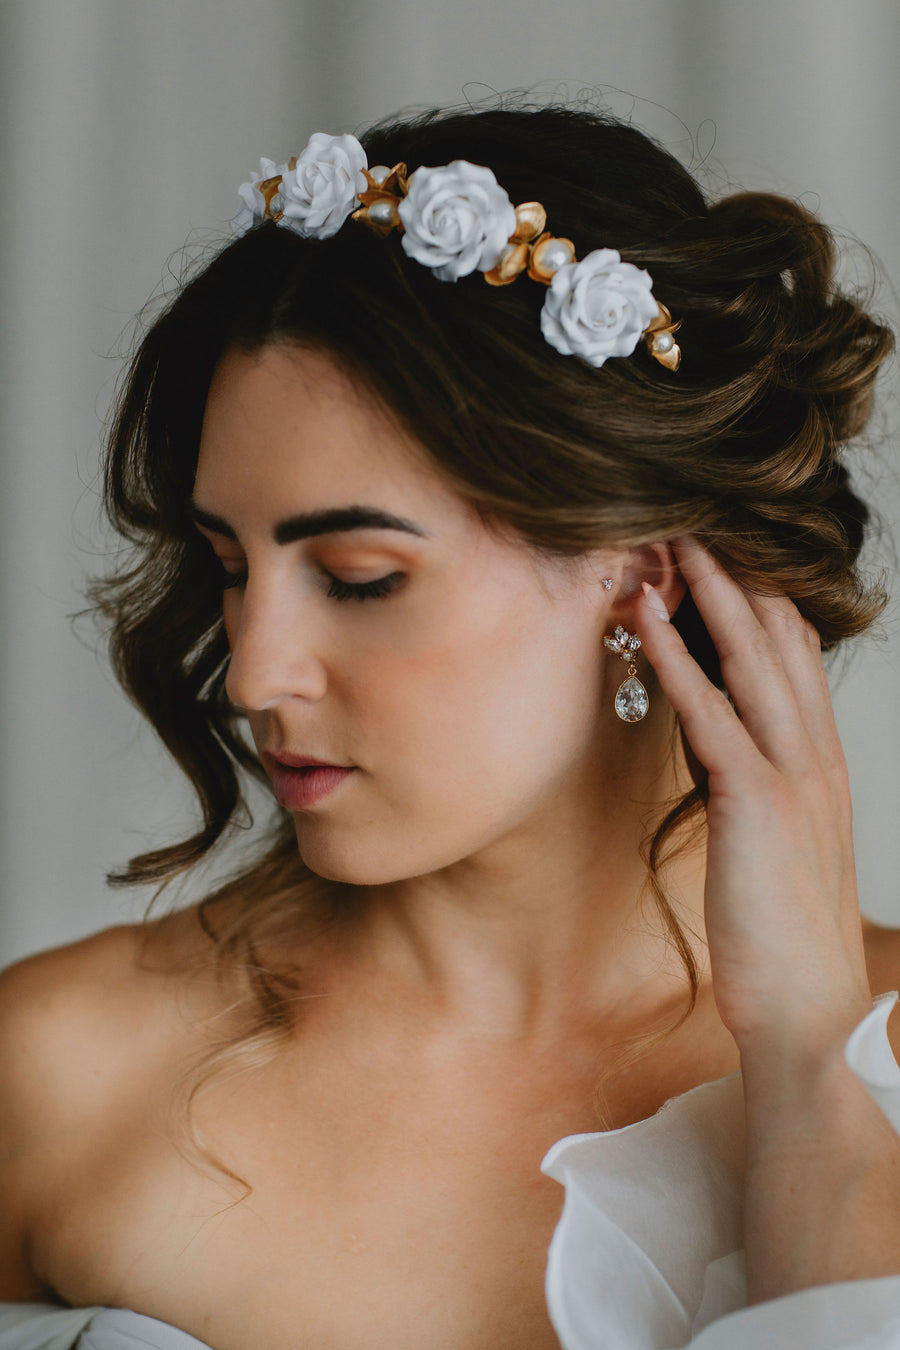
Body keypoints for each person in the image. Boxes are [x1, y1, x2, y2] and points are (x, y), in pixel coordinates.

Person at [1, 98, 899, 1350]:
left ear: (643, 574)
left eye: (360, 577)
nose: (255, 672)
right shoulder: (54, 1072)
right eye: (227, 564)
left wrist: (809, 1065)